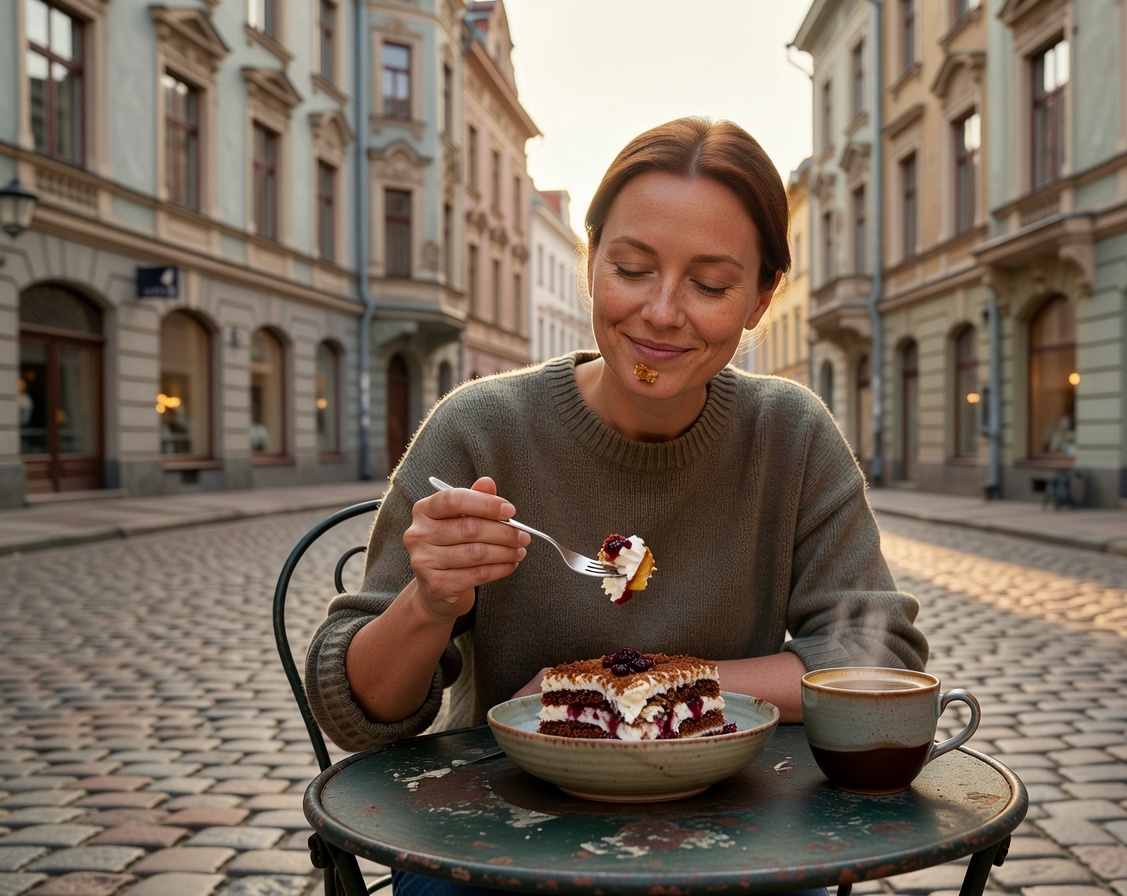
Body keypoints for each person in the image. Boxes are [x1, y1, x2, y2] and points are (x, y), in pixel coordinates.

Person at [305, 116, 929, 896]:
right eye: (631, 268)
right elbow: (359, 709)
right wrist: (429, 603)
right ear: (587, 260)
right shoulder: (481, 429)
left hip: (734, 841)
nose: (662, 313)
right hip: (502, 842)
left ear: (763, 297)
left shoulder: (788, 433)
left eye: (709, 285)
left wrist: (619, 691)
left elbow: (879, 658)